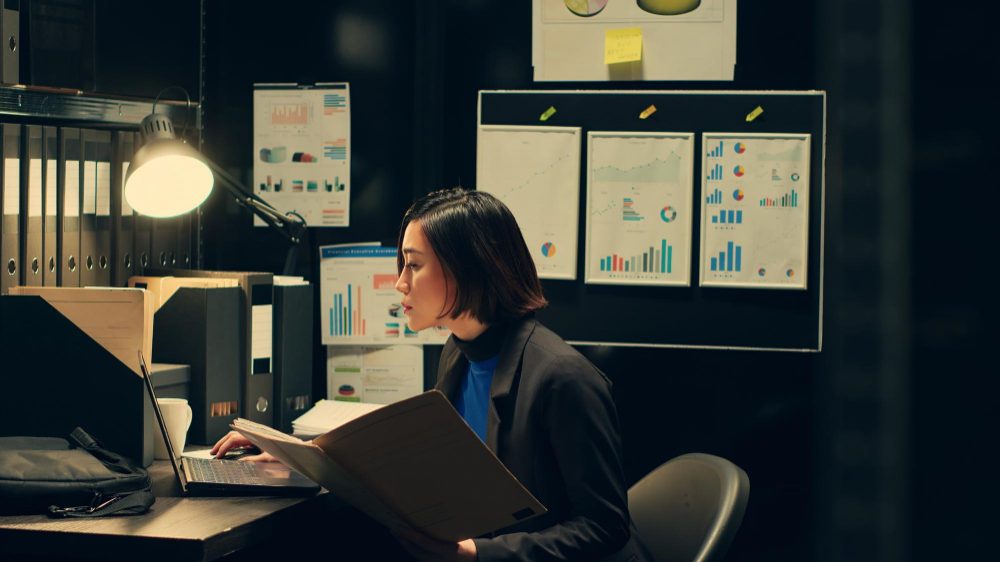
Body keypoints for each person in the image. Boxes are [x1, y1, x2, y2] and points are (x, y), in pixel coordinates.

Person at [213, 187, 648, 562]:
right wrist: (300, 454)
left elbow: (605, 526)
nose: (399, 282)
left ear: (467, 268)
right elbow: (419, 460)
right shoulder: (457, 352)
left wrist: (481, 555)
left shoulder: (563, 378)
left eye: (413, 265)